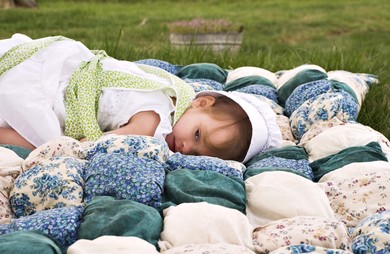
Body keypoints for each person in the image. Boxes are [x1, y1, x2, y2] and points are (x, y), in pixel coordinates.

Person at [0, 34, 282, 163]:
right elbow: (98, 144)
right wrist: (84, 145)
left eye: (196, 153)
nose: (185, 148)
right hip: (59, 87)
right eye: (197, 135)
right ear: (202, 102)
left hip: (59, 63)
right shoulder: (156, 119)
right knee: (51, 140)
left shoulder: (168, 89)